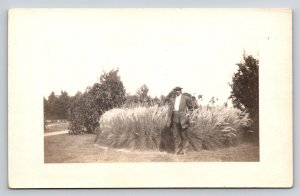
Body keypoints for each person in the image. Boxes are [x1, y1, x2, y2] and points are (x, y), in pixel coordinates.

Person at [165, 86, 193, 155]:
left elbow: (191, 108)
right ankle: (177, 150)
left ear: (181, 91)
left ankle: (185, 151)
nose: (177, 91)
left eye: (178, 90)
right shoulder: (172, 98)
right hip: (174, 117)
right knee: (176, 135)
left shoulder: (186, 98)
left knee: (184, 135)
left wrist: (188, 115)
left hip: (183, 118)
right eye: (176, 90)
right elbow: (166, 100)